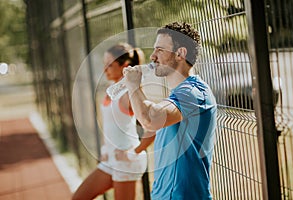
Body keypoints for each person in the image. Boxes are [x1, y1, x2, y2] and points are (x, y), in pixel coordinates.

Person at [123, 22, 217, 199]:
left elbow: (149, 120)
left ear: (180, 53)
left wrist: (134, 87)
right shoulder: (179, 93)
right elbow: (152, 114)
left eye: (160, 50)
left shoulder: (193, 93)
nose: (152, 56)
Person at [72, 43, 155, 200]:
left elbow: (153, 127)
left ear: (124, 66)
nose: (105, 69)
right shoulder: (112, 88)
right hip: (111, 159)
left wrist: (132, 153)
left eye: (109, 65)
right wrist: (105, 150)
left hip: (126, 163)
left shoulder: (129, 93)